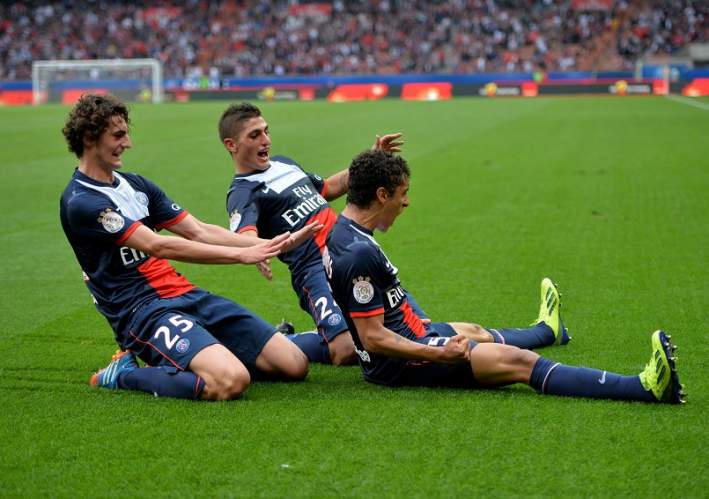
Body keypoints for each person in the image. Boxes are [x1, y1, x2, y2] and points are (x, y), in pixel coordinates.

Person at [323, 149, 685, 403]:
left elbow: (382, 300)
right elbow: (373, 338)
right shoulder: (358, 253)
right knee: (518, 362)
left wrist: (414, 319)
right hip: (402, 363)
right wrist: (438, 353)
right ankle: (644, 387)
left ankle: (548, 331)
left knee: (475, 330)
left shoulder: (345, 233)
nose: (406, 202)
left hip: (412, 334)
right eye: (402, 194)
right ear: (381, 194)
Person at [60, 94, 322, 401]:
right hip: (141, 311)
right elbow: (157, 245)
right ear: (89, 138)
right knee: (230, 381)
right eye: (118, 135)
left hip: (184, 294)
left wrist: (269, 244)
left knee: (294, 365)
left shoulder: (136, 185)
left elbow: (198, 231)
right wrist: (242, 254)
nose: (127, 143)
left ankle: (215, 352)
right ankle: (124, 374)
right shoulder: (82, 202)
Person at [220, 102, 403, 365]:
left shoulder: (283, 163)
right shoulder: (242, 192)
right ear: (231, 145)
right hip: (313, 268)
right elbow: (244, 237)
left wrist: (372, 159)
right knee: (346, 349)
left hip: (350, 253)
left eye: (266, 131)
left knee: (403, 325)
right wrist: (257, 250)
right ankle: (277, 342)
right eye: (255, 135)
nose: (266, 140)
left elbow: (328, 188)